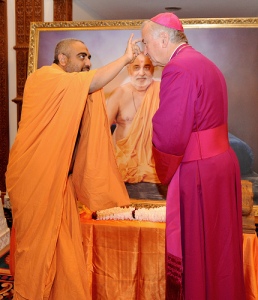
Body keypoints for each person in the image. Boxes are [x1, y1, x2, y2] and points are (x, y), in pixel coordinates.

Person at [5, 36, 141, 300]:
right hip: (35, 179)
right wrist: (125, 59)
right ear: (63, 59)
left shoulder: (71, 87)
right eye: (82, 57)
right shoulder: (45, 78)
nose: (88, 62)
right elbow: (93, 81)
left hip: (60, 181)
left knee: (64, 248)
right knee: (36, 250)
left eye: (89, 57)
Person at [141, 13, 246, 300]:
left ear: (164, 38)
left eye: (146, 42)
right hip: (220, 166)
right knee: (219, 247)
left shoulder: (178, 68)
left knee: (199, 250)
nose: (145, 50)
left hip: (200, 171)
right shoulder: (205, 63)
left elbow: (171, 134)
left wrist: (162, 164)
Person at [106, 52, 160, 183]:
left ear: (153, 69)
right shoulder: (119, 93)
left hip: (154, 165)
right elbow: (101, 129)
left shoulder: (162, 91)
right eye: (136, 67)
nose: (141, 73)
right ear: (128, 69)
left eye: (147, 67)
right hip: (122, 163)